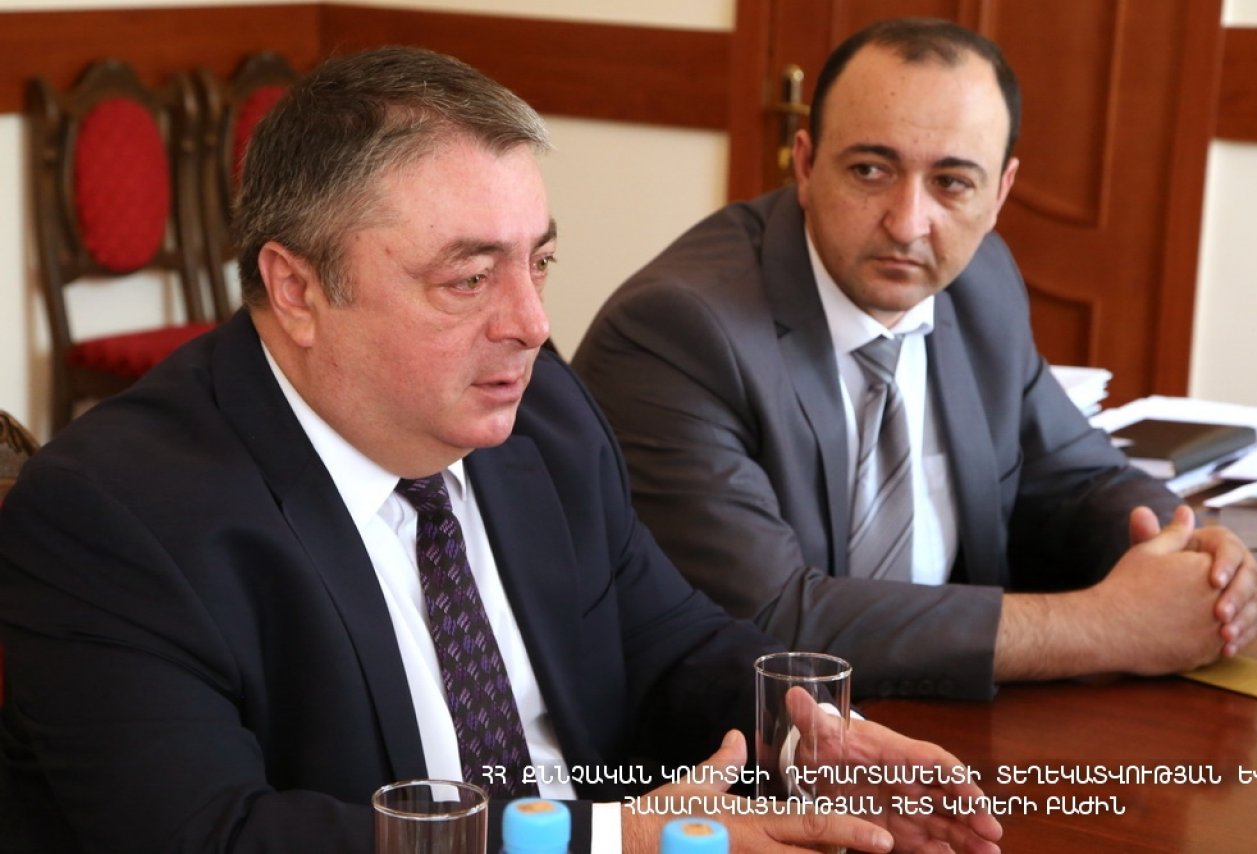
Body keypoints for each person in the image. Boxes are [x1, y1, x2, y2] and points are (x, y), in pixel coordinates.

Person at [0, 47, 1004, 853]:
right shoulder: (113, 514)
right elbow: (217, 835)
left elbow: (663, 640)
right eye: (470, 279)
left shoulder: (542, 412)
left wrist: (809, 738)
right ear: (297, 288)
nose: (531, 324)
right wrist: (606, 837)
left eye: (540, 261)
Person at [572, 18, 1257, 702]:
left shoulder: (979, 280)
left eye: (952, 183)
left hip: (954, 720)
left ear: (1000, 193)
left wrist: (1194, 554)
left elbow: (1077, 479)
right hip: (750, 741)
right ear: (805, 165)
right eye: (870, 171)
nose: (907, 224)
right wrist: (1107, 627)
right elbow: (770, 620)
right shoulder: (679, 331)